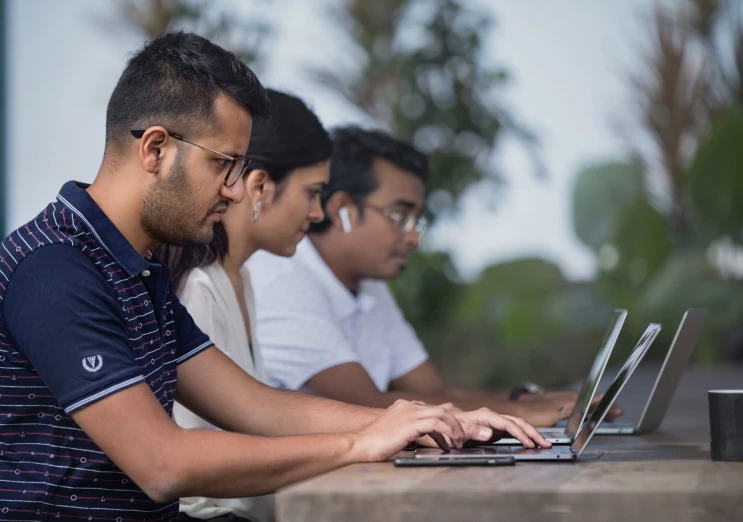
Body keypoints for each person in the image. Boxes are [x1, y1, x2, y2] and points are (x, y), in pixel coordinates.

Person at [0, 32, 549, 522]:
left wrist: (421, 421)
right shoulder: (54, 268)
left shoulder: (137, 272)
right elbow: (163, 463)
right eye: (225, 164)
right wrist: (356, 444)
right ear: (156, 150)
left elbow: (253, 405)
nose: (237, 190)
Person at [247, 126, 603, 427]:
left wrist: (529, 399)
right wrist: (522, 414)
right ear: (342, 210)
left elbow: (432, 391)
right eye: (399, 216)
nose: (414, 237)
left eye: (417, 220)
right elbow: (367, 403)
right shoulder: (283, 277)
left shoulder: (369, 285)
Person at [153, 88, 332, 522]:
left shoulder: (241, 278)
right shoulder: (199, 288)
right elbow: (197, 477)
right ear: (260, 187)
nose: (319, 213)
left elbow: (259, 413)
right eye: (312, 193)